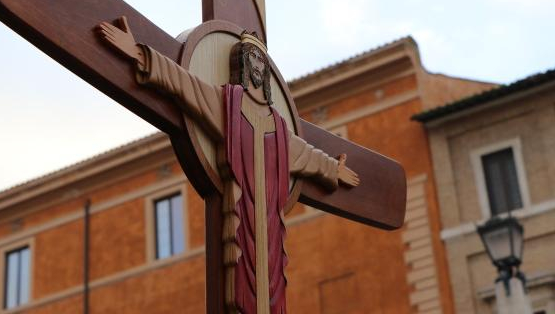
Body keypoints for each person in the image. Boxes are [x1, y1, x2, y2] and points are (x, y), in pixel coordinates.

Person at [97, 17, 359, 314]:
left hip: (270, 228)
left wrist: (332, 170)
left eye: (262, 60)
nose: (258, 65)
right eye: (253, 58)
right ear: (244, 64)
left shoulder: (279, 127)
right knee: (242, 290)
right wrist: (140, 54)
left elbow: (307, 155)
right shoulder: (227, 105)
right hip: (239, 216)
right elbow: (185, 85)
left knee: (270, 289)